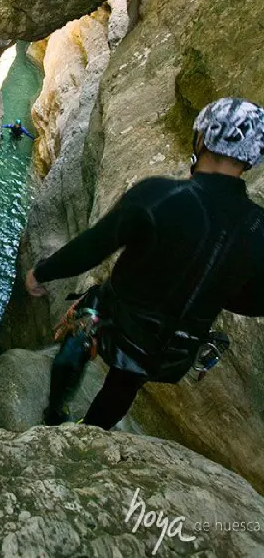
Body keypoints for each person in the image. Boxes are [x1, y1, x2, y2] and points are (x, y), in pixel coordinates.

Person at [25, 97, 264, 428]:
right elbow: (256, 301)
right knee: (126, 380)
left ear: (202, 138)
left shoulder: (161, 196)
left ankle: (55, 414)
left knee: (85, 320)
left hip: (120, 328)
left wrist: (41, 272)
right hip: (173, 352)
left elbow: (93, 248)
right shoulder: (258, 227)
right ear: (251, 158)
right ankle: (92, 431)